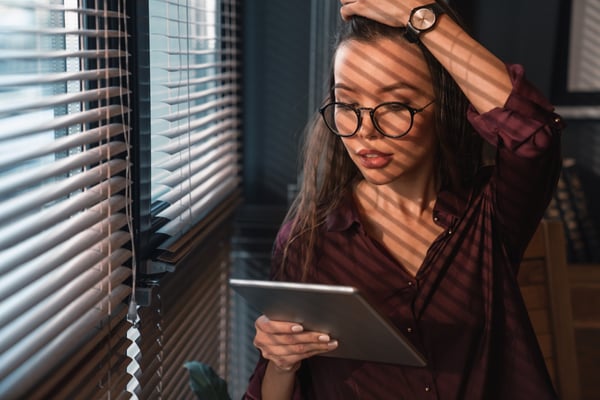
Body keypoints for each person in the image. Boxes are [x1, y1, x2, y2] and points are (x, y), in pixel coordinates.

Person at [244, 0, 563, 399]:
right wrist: (281, 360)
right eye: (347, 105)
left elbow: (533, 134)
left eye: (395, 105)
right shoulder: (305, 242)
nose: (365, 131)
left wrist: (425, 18)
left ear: (442, 109)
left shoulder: (488, 214)